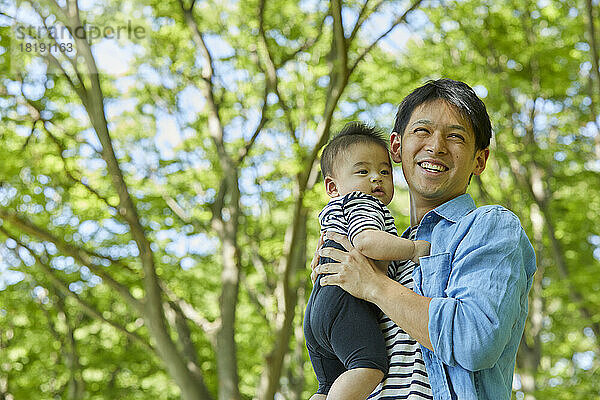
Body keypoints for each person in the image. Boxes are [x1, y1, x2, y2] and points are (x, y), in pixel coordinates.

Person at [312, 79, 536, 400]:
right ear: (397, 148)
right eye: (422, 131)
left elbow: (474, 340)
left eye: (456, 136)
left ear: (479, 160)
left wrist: (373, 285)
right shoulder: (387, 249)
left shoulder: (490, 227)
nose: (437, 146)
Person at [304, 122, 431, 400]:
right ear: (332, 186)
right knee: (369, 368)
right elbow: (366, 241)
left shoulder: (333, 211)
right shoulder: (362, 202)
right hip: (346, 302)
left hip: (319, 307)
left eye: (385, 171)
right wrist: (413, 249)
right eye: (363, 171)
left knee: (327, 386)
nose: (377, 178)